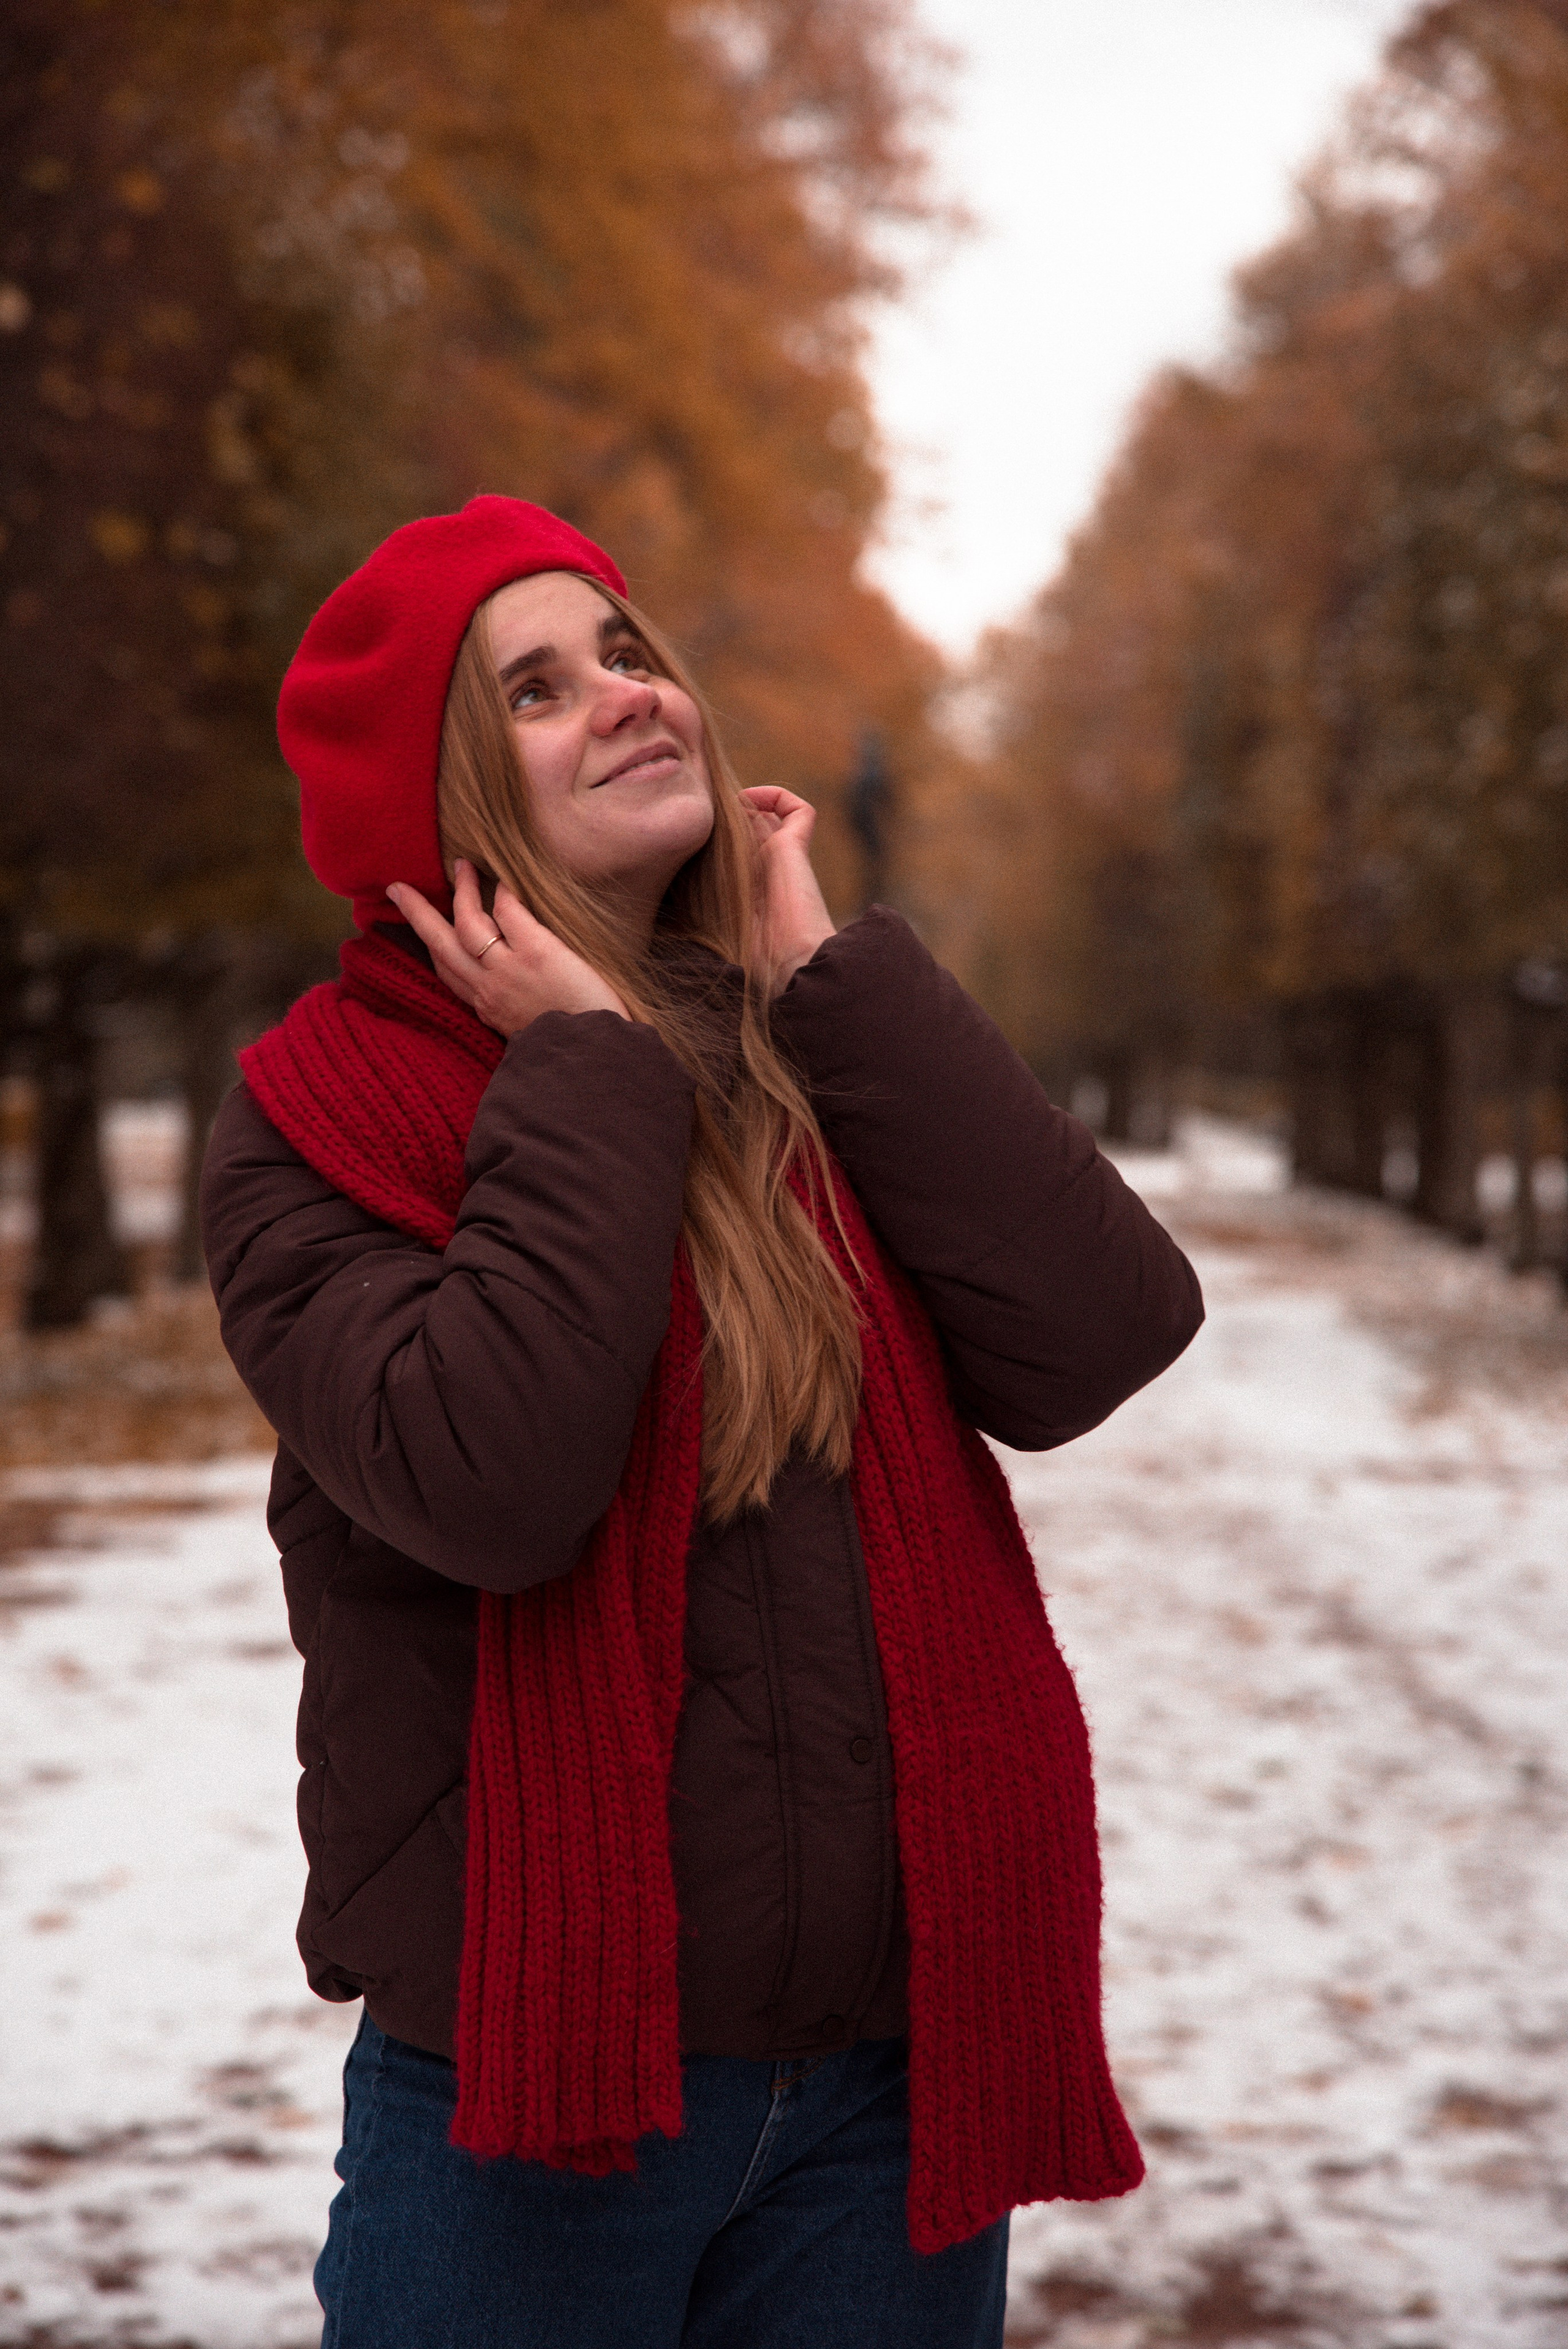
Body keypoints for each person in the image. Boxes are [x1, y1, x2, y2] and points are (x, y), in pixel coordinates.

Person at [201, 495, 1204, 2349]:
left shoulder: (805, 1056)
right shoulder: (317, 1127)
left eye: (630, 651)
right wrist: (584, 1064)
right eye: (538, 685)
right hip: (526, 2114)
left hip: (880, 2104)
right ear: (440, 806)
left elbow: (1105, 1334)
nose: (629, 694)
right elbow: (496, 1483)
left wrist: (832, 976)